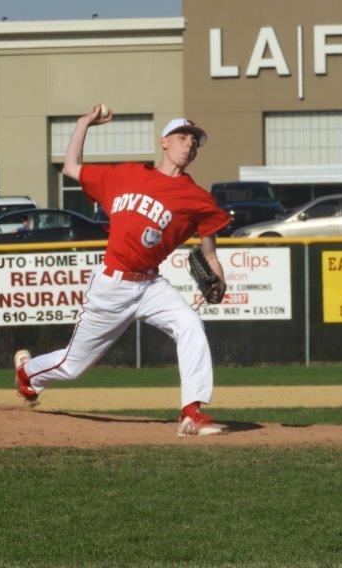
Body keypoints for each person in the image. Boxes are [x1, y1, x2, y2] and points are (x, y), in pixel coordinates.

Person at [14, 105, 231, 436]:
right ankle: (28, 374)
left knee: (189, 324)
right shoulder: (124, 175)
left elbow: (210, 252)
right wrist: (84, 123)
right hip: (111, 286)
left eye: (194, 142)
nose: (189, 144)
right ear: (164, 142)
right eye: (182, 137)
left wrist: (220, 280)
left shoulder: (197, 198)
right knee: (73, 366)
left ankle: (191, 413)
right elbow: (71, 166)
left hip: (150, 285)